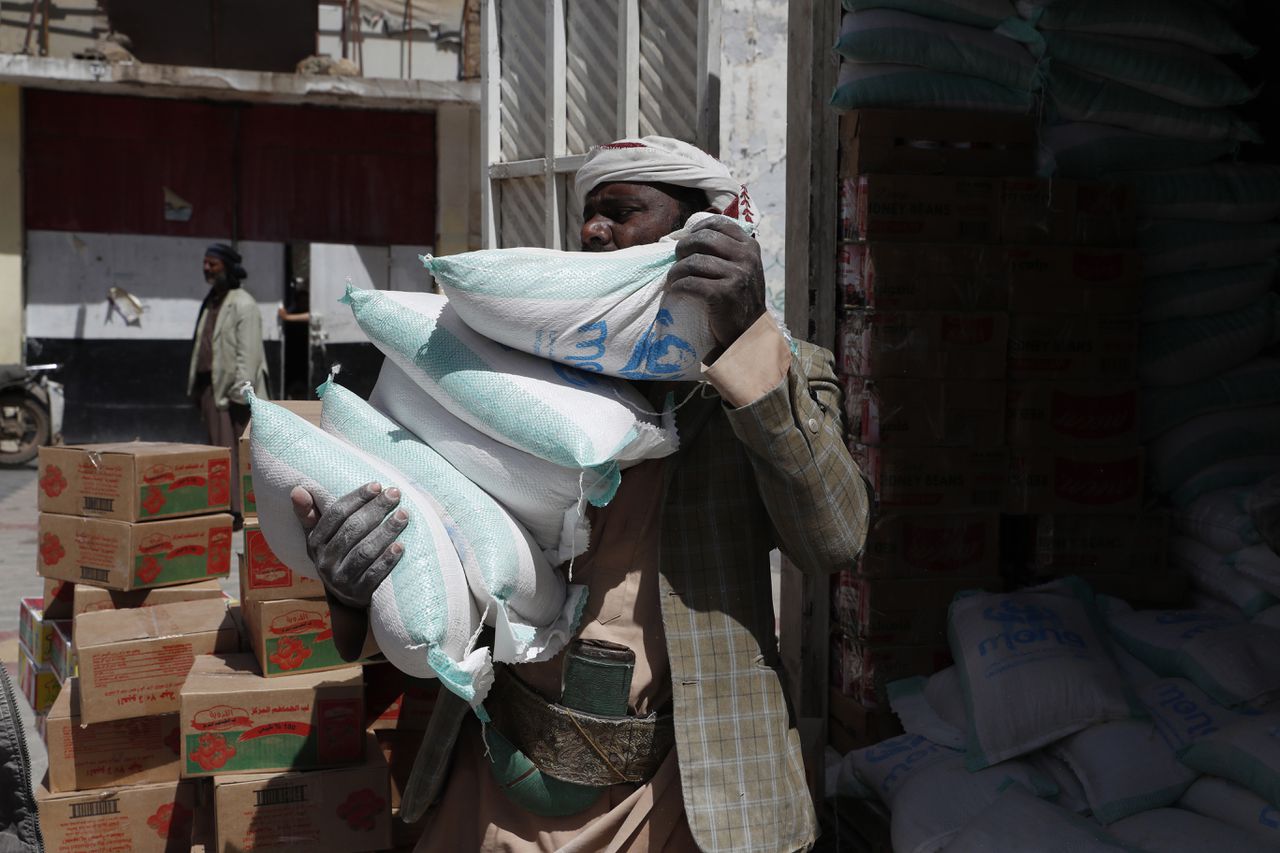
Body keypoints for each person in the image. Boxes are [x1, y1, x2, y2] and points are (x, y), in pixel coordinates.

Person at [290, 138, 870, 852]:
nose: (594, 232)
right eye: (587, 217)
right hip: (500, 780)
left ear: (698, 234)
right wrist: (350, 591)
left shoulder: (774, 371)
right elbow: (436, 553)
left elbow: (836, 537)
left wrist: (745, 346)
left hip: (684, 795)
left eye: (621, 212)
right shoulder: (512, 380)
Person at [187, 243, 269, 527]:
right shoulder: (213, 300)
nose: (207, 268)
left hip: (233, 391)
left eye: (213, 264)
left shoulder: (242, 303)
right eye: (205, 263)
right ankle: (225, 505)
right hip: (212, 387)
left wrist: (240, 392)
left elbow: (247, 353)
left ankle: (237, 511)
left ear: (228, 268)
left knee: (235, 450)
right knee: (219, 449)